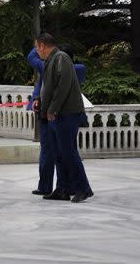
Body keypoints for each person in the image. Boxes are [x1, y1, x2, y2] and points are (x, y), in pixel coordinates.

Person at [35, 32, 94, 203]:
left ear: (42, 46)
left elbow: (63, 86)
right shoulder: (51, 60)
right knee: (58, 153)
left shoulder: (61, 58)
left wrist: (52, 109)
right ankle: (63, 188)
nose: (37, 51)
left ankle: (83, 188)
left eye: (36, 47)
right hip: (55, 115)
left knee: (68, 152)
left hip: (66, 114)